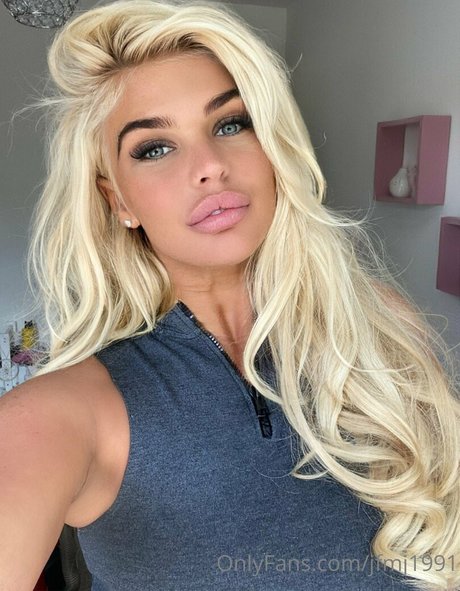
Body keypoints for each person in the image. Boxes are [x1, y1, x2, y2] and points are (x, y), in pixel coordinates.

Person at [1, 1, 459, 589]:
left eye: (230, 124)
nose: (210, 166)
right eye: (154, 148)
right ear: (118, 201)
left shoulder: (381, 322)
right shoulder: (66, 412)